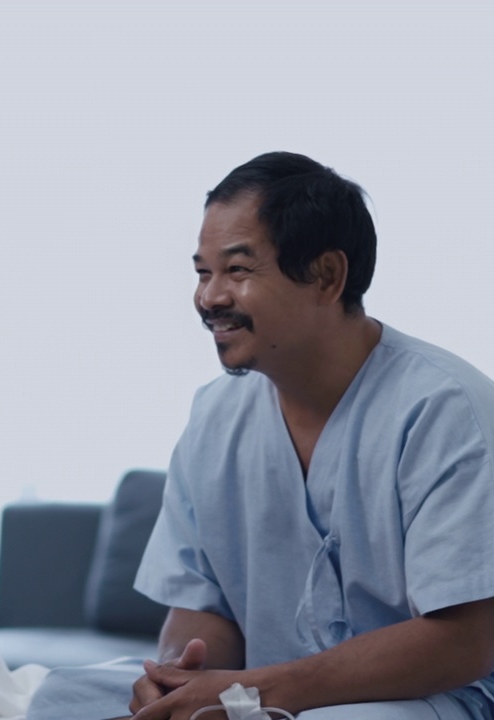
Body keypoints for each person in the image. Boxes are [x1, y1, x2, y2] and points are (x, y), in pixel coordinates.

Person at [29, 152, 494, 720]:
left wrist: (251, 693)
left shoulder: (446, 409)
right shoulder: (214, 415)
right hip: (260, 693)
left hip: (420, 698)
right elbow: (203, 605)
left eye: (238, 270)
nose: (209, 297)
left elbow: (466, 641)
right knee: (62, 698)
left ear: (326, 276)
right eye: (202, 272)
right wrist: (181, 681)